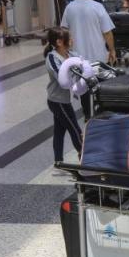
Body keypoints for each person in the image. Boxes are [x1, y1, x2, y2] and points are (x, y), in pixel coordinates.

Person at [60, 0, 116, 119]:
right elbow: (107, 33)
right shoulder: (97, 7)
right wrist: (112, 50)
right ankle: (102, 115)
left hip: (78, 59)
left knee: (84, 88)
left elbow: (63, 31)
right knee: (102, 87)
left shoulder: (69, 8)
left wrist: (65, 54)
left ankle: (87, 115)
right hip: (98, 57)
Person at [43, 27, 83, 164]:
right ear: (59, 42)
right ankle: (85, 157)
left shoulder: (70, 54)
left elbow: (83, 64)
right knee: (75, 129)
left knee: (59, 131)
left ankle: (58, 161)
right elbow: (61, 77)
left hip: (65, 99)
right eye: (69, 38)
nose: (72, 40)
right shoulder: (52, 57)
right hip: (57, 101)